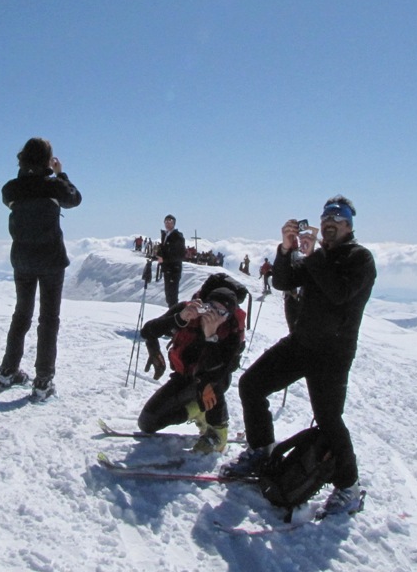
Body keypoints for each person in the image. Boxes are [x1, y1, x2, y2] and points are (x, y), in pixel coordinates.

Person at [223, 195, 376, 516]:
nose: (329, 223)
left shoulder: (360, 259)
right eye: (326, 219)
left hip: (332, 354)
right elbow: (283, 280)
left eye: (336, 219)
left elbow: (339, 294)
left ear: (349, 225)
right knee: (252, 385)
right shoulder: (317, 257)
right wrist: (285, 249)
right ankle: (262, 450)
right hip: (301, 343)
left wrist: (312, 257)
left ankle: (349, 488)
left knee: (329, 420)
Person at [0, 138, 82, 401]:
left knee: (21, 314)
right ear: (48, 159)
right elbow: (75, 199)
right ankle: (43, 380)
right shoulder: (54, 186)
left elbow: (16, 195)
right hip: (51, 260)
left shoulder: (11, 189)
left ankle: (8, 371)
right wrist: (60, 173)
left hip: (22, 259)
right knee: (48, 319)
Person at [138, 287, 244, 453]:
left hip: (213, 381)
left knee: (211, 387)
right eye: (210, 308)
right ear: (203, 305)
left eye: (221, 313)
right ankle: (197, 410)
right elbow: (148, 331)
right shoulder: (189, 311)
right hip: (184, 377)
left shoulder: (231, 331)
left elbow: (219, 371)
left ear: (229, 317)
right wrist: (179, 318)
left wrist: (211, 337)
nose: (213, 315)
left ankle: (217, 431)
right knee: (147, 423)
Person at [155, 214, 186, 307]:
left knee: (172, 296)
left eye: (170, 221)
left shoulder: (177, 236)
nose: (168, 224)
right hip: (167, 269)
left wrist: (164, 259)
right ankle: (171, 314)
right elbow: (165, 250)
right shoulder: (165, 235)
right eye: (166, 221)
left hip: (174, 269)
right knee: (168, 295)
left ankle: (173, 316)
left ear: (174, 223)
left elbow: (180, 255)